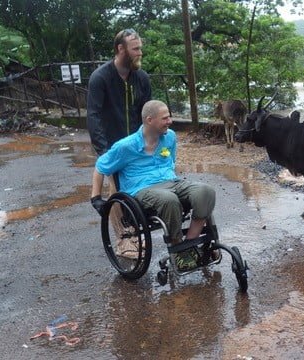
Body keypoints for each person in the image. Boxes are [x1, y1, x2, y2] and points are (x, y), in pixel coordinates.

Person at [90, 100, 216, 272]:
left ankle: (187, 247)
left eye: (169, 117)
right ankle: (177, 245)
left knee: (205, 192)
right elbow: (100, 167)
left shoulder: (170, 137)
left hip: (171, 182)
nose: (170, 121)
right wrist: (96, 198)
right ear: (150, 120)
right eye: (165, 118)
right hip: (142, 190)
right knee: (169, 200)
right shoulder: (126, 146)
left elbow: (171, 161)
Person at [87, 28, 152, 156]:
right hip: (112, 149)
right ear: (121, 49)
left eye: (140, 48)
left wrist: (150, 144)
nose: (140, 53)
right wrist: (104, 153)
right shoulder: (100, 78)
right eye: (135, 49)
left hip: (137, 148)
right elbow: (94, 116)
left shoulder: (142, 78)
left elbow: (148, 114)